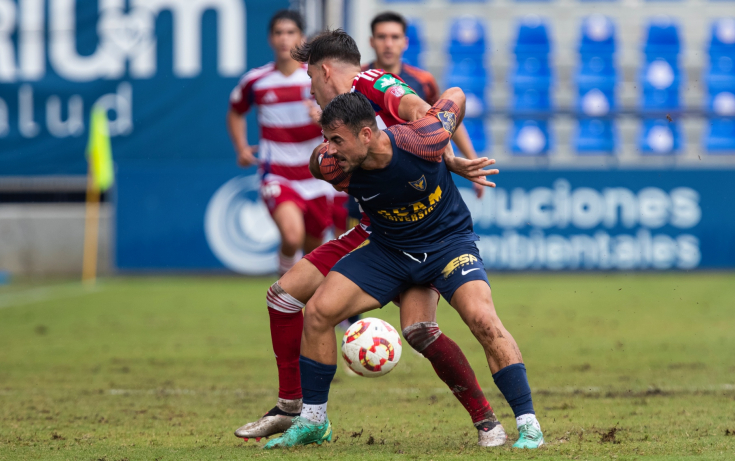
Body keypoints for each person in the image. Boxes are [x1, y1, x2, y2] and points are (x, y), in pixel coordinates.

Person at [234, 30, 503, 447]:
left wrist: (448, 159)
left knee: (421, 330)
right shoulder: (343, 109)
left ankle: (489, 422)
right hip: (374, 227)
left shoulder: (374, 84)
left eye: (310, 80)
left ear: (325, 72)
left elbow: (424, 114)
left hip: (411, 231)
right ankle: (296, 410)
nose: (311, 90)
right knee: (284, 297)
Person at [264, 90, 545, 450]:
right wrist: (323, 154)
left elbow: (456, 96)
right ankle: (314, 421)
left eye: (336, 140)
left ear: (366, 135)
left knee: (482, 319)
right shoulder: (333, 165)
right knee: (318, 311)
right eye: (326, 140)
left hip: (448, 245)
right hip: (389, 251)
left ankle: (528, 425)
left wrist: (451, 157)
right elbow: (318, 163)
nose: (329, 149)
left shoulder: (423, 139)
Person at [227, 10, 334, 275]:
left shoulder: (317, 77)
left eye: (290, 33)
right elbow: (235, 111)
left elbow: (341, 117)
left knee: (314, 248)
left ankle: (312, 304)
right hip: (278, 174)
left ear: (302, 38)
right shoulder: (256, 81)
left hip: (317, 176)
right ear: (270, 39)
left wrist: (323, 117)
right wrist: (241, 147)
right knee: (291, 236)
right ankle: (284, 298)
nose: (284, 39)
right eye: (279, 33)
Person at [366, 11, 485, 199]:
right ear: (371, 42)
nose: (388, 44)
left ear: (405, 42)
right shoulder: (358, 80)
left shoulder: (422, 80)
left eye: (394, 37)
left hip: (412, 180)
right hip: (370, 182)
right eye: (382, 37)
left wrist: (473, 161)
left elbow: (446, 118)